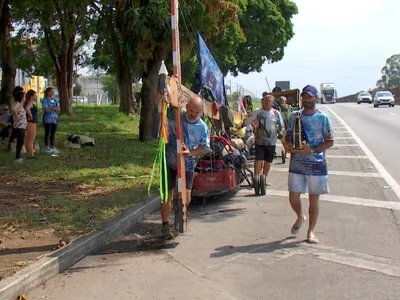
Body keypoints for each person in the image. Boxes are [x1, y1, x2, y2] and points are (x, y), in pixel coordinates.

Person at [285, 85, 334, 244]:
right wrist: (287, 145)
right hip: (297, 162)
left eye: (310, 97)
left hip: (316, 164)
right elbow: (288, 136)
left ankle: (311, 231)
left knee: (314, 199)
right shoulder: (294, 116)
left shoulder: (323, 118)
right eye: (304, 97)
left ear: (316, 98)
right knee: (293, 196)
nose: (306, 99)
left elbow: (330, 141)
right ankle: (300, 216)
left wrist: (312, 150)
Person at [161, 95, 210, 239]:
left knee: (187, 195)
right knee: (166, 194)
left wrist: (190, 153)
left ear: (200, 112)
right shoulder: (176, 114)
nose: (193, 113)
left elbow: (205, 148)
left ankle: (179, 211)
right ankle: (165, 225)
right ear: (187, 106)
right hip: (169, 161)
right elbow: (165, 102)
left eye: (197, 111)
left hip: (187, 164)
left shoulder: (202, 127)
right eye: (191, 110)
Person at [243, 95, 284, 186]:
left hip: (272, 141)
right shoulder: (258, 112)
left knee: (268, 161)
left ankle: (264, 179)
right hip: (259, 141)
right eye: (265, 101)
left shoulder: (276, 113)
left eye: (269, 101)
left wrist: (280, 132)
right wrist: (239, 126)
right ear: (262, 102)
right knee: (259, 160)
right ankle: (256, 179)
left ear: (272, 103)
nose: (267, 103)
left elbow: (281, 126)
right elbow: (248, 121)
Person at [11, 86, 27, 163]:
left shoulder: (20, 104)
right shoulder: (17, 103)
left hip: (22, 126)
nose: (24, 97)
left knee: (21, 142)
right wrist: (17, 116)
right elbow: (13, 109)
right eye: (23, 96)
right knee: (20, 142)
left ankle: (19, 156)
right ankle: (18, 157)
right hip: (19, 126)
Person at [42, 87, 60, 153]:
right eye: (51, 91)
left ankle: (52, 145)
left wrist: (51, 108)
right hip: (47, 119)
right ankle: (47, 146)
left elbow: (58, 108)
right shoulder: (45, 100)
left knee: (53, 133)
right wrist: (54, 108)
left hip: (54, 119)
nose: (53, 92)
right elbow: (46, 109)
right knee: (48, 132)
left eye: (53, 91)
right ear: (47, 92)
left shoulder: (55, 100)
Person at [24, 89, 39, 158]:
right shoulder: (30, 102)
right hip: (31, 122)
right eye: (35, 95)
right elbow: (27, 108)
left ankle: (30, 152)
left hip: (32, 122)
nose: (36, 96)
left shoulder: (30, 102)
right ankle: (30, 154)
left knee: (29, 139)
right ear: (31, 96)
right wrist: (31, 115)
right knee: (31, 139)